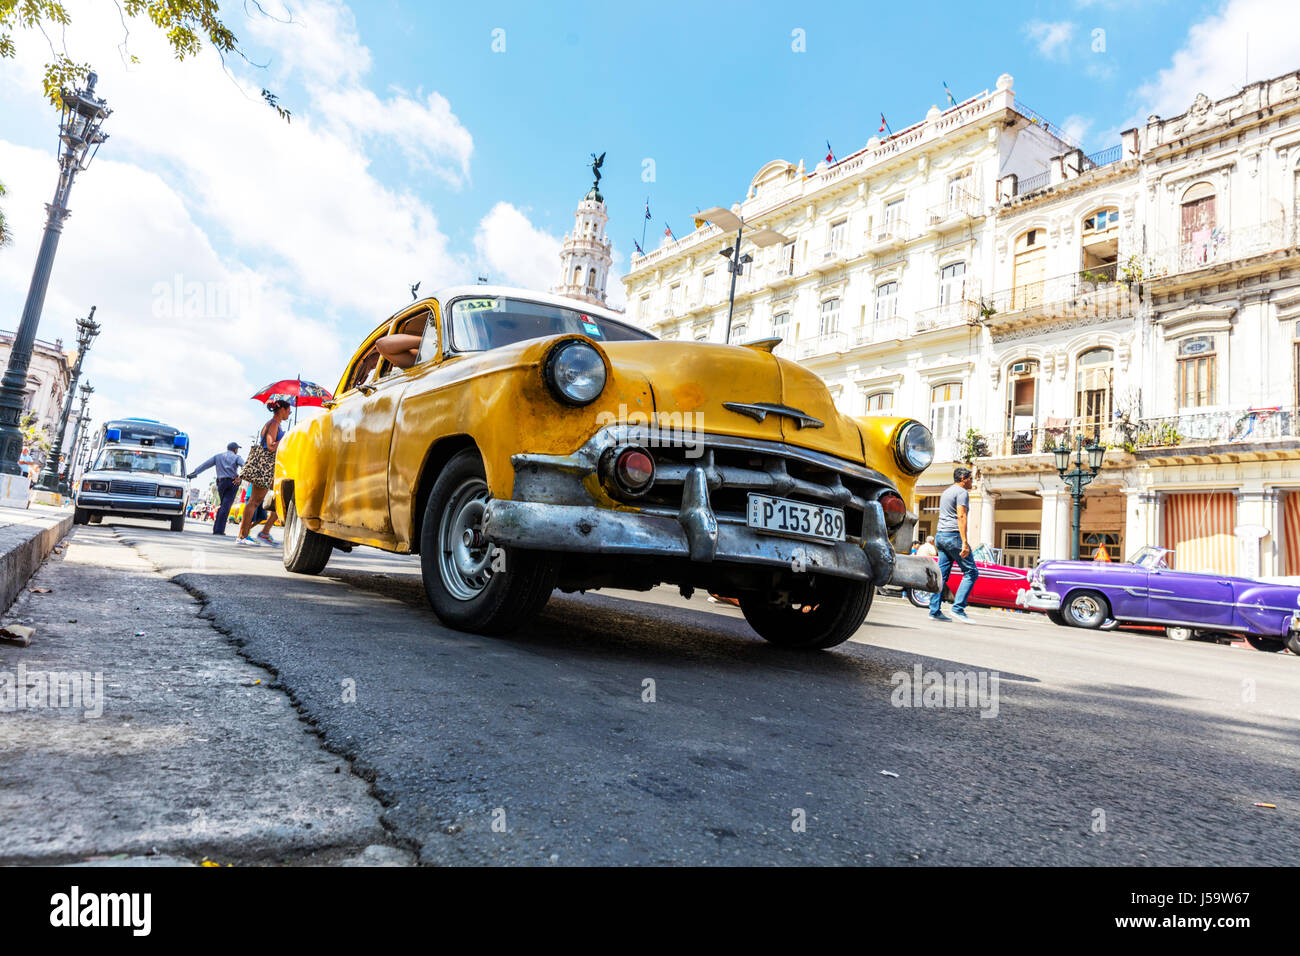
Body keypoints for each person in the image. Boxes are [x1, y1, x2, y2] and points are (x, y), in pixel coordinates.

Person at [236, 400, 291, 546]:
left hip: (269, 469)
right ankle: (243, 536)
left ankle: (264, 532)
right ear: (282, 411)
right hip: (265, 467)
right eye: (288, 410)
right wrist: (286, 438)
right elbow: (270, 446)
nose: (289, 413)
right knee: (254, 501)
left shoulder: (275, 424)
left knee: (285, 497)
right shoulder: (272, 424)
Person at [929, 467, 979, 624]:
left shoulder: (946, 492)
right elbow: (961, 516)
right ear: (963, 478)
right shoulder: (962, 493)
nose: (972, 481)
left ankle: (934, 611)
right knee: (971, 572)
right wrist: (964, 542)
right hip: (953, 536)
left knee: (942, 575)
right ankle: (958, 608)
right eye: (971, 478)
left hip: (941, 536)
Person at [189, 441, 245, 536]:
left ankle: (217, 529)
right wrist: (240, 477)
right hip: (233, 482)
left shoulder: (218, 456)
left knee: (224, 505)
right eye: (237, 449)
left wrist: (194, 474)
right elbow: (245, 466)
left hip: (221, 483)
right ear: (235, 450)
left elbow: (205, 465)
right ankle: (219, 530)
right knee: (225, 506)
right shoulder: (237, 457)